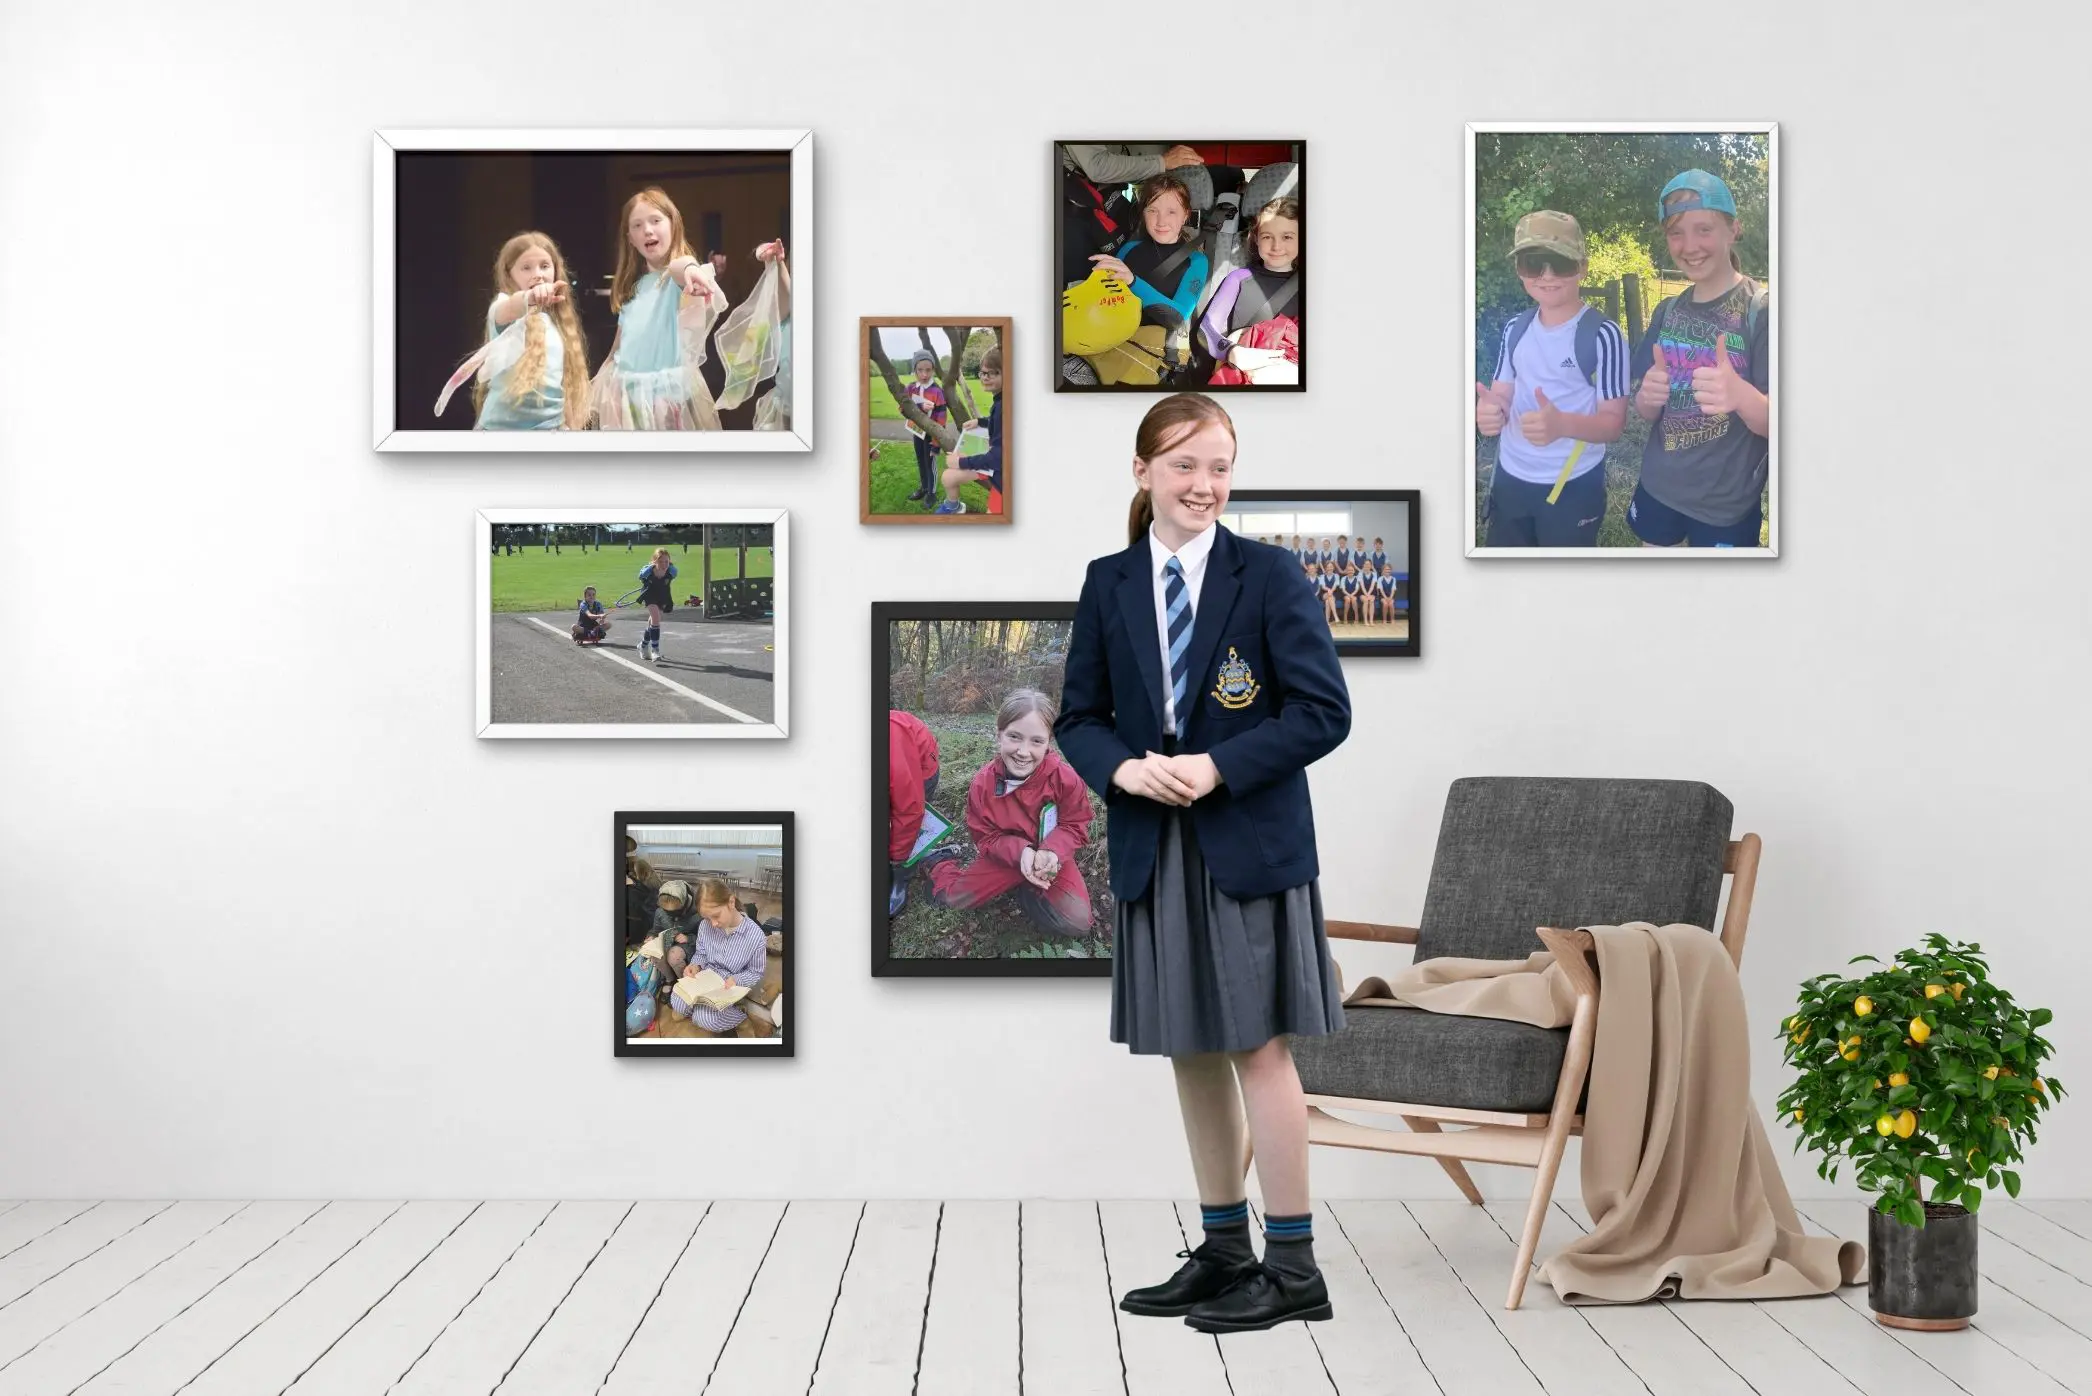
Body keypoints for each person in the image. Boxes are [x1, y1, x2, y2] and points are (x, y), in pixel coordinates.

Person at [1057, 392, 1350, 1334]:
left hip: (1247, 844)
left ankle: (1293, 1264)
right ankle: (1226, 1249)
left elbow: (1321, 711)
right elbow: (1078, 721)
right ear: (1143, 472)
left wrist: (1216, 764)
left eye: (1220, 466)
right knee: (1190, 1047)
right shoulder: (1107, 583)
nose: (1204, 485)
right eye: (1184, 465)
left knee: (1259, 1050)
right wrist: (1128, 770)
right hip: (1156, 844)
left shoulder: (1269, 576)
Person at [1628, 170, 1772, 548]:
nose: (1689, 245)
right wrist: (1648, 397)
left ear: (1733, 229)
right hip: (1659, 490)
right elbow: (1645, 410)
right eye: (1676, 232)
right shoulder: (1667, 310)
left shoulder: (1762, 313)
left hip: (1727, 507)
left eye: (1703, 229)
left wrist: (1740, 396)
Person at [1475, 211, 1630, 548]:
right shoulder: (1515, 327)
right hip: (1510, 478)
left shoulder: (1604, 335)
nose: (1546, 275)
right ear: (1519, 270)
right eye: (1533, 263)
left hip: (1571, 485)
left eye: (1559, 263)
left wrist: (1561, 425)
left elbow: (1613, 424)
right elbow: (1502, 393)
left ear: (1582, 267)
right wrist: (1491, 412)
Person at [922, 688, 1094, 936]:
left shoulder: (1066, 779)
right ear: (999, 735)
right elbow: (986, 838)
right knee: (951, 899)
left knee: (1077, 923)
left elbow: (1075, 824)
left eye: (1036, 741)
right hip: (1005, 859)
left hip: (1049, 860)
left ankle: (1030, 886)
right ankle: (941, 861)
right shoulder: (983, 785)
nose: (1023, 752)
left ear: (1048, 743)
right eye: (1014, 737)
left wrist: (1052, 852)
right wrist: (1020, 852)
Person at [591, 188, 729, 431]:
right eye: (637, 225)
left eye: (656, 221)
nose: (647, 230)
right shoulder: (632, 289)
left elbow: (682, 265)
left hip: (666, 401)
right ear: (630, 238)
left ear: (673, 225)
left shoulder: (677, 279)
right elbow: (616, 350)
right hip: (626, 399)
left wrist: (691, 271)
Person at [467, 232, 590, 431]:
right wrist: (529, 297)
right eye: (526, 267)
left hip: (550, 429)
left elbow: (565, 381)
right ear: (509, 274)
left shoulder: (556, 321)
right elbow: (511, 307)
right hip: (503, 432)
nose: (538, 274)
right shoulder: (503, 309)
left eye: (544, 266)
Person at [1089, 177, 1210, 371]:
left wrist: (1132, 281)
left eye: (1171, 212)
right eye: (1152, 210)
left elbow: (1178, 317)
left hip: (1159, 351)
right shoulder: (1129, 249)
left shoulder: (1197, 261)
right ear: (1143, 213)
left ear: (1185, 215)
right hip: (1114, 337)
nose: (1161, 221)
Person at [1197, 198, 1303, 374]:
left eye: (1287, 237)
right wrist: (1231, 351)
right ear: (1256, 239)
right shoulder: (1238, 279)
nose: (1277, 246)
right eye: (1267, 236)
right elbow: (1206, 329)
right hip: (1242, 371)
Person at [670, 880, 769, 1034]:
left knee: (705, 1018)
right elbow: (701, 953)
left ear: (731, 902)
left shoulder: (756, 936)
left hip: (730, 985)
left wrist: (737, 980)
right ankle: (702, 1012)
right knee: (676, 998)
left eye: (716, 916)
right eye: (707, 918)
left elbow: (755, 972)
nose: (713, 924)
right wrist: (695, 965)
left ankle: (740, 1018)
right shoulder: (705, 925)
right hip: (706, 979)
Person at [934, 345, 1005, 516]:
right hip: (993, 464)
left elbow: (997, 459)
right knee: (948, 477)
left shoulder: (1004, 405)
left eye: (993, 373)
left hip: (1002, 477)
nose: (985, 378)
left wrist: (960, 462)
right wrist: (980, 421)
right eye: (983, 373)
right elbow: (1001, 425)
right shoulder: (1000, 402)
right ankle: (954, 507)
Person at [888, 709, 942, 916]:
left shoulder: (890, 741)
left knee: (906, 825)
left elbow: (909, 811)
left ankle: (901, 877)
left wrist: (896, 858)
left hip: (922, 769)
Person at [903, 350, 950, 505]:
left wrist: (936, 445)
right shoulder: (910, 388)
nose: (924, 374)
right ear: (914, 369)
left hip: (931, 436)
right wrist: (919, 405)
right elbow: (904, 409)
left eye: (928, 370)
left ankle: (932, 493)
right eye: (920, 370)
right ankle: (924, 487)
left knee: (930, 463)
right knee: (921, 461)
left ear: (933, 370)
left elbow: (941, 422)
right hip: (917, 432)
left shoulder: (937, 391)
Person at [634, 548, 677, 663]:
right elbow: (640, 577)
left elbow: (670, 578)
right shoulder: (648, 571)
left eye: (666, 561)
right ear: (654, 562)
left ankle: (643, 645)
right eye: (660, 562)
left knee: (653, 621)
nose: (664, 564)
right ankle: (655, 650)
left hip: (662, 596)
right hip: (649, 595)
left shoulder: (672, 571)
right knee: (656, 618)